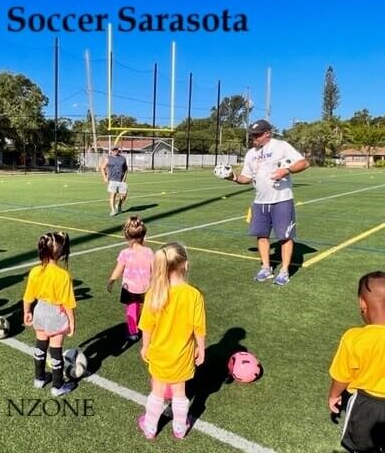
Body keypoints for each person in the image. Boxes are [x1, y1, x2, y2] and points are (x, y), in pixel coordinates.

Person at [225, 119, 310, 286]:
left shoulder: (281, 146)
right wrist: (232, 177)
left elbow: (304, 163)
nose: (253, 138)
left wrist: (285, 171)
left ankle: (284, 271)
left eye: (256, 135)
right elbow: (246, 178)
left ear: (267, 134)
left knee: (285, 237)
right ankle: (266, 268)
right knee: (261, 235)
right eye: (251, 136)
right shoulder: (251, 154)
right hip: (260, 202)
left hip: (282, 200)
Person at [138, 242, 206, 440]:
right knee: (179, 392)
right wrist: (201, 349)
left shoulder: (154, 293)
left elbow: (146, 326)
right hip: (182, 354)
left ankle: (150, 427)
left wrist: (145, 346)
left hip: (158, 353)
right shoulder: (193, 295)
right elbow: (199, 327)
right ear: (185, 264)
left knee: (157, 392)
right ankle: (179, 428)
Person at [328, 271, 385, 453]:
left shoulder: (354, 338)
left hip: (367, 405)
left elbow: (342, 376)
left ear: (362, 303)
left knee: (363, 448)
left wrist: (334, 395)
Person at [23, 231, 77, 397]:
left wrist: (27, 312)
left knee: (40, 344)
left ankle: (39, 379)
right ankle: (57, 385)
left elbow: (28, 296)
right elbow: (67, 303)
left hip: (39, 310)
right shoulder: (63, 276)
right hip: (55, 314)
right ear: (59, 252)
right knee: (56, 350)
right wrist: (72, 322)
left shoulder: (35, 271)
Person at [107, 216, 154, 341]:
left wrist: (112, 280)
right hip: (146, 287)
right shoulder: (149, 251)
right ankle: (149, 329)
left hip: (130, 287)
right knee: (147, 309)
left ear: (126, 236)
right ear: (144, 236)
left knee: (132, 309)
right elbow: (154, 268)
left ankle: (133, 332)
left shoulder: (124, 253)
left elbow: (119, 268)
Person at [100, 146, 128, 216]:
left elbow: (126, 169)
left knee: (124, 195)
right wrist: (105, 178)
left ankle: (119, 205)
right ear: (111, 151)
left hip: (121, 180)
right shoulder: (108, 158)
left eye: (116, 149)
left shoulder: (122, 158)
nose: (115, 151)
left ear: (118, 150)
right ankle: (113, 210)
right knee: (113, 195)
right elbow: (102, 168)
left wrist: (124, 178)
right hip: (112, 180)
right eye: (113, 150)